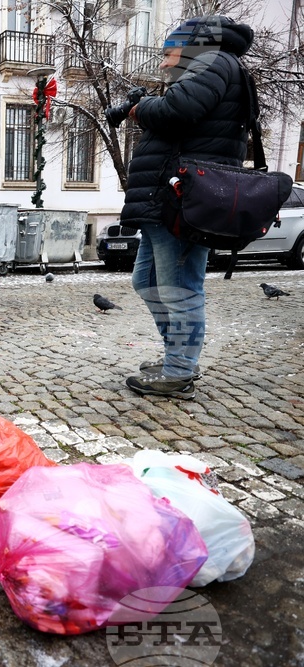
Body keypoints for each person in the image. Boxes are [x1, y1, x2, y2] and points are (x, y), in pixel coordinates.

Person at [121, 15, 254, 400]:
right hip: (165, 199)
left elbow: (177, 110)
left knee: (180, 289)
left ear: (192, 45)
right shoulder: (213, 66)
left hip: (182, 200)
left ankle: (179, 371)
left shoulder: (213, 61)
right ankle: (176, 358)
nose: (164, 63)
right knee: (146, 282)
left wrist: (140, 107)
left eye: (169, 53)